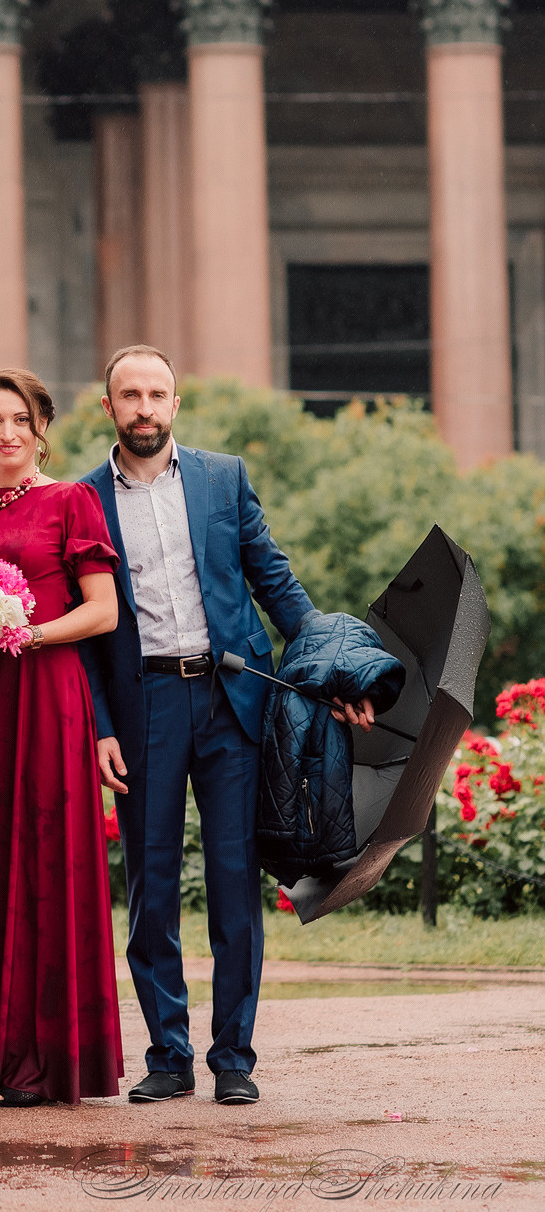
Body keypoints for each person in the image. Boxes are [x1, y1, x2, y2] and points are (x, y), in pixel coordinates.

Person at [81, 345, 374, 1107]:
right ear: (107, 406)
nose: (145, 408)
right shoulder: (82, 499)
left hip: (231, 702)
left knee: (235, 883)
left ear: (176, 404)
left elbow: (273, 579)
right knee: (151, 886)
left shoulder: (222, 477)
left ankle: (233, 1056)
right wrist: (101, 725)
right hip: (143, 705)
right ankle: (168, 1053)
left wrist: (329, 671)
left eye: (157, 394)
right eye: (130, 395)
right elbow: (84, 632)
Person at [0, 368, 123, 1106]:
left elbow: (101, 612)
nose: (6, 433)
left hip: (46, 694)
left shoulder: (71, 501)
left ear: (42, 429)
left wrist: (26, 633)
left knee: (44, 858)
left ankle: (40, 1061)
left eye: (19, 420)